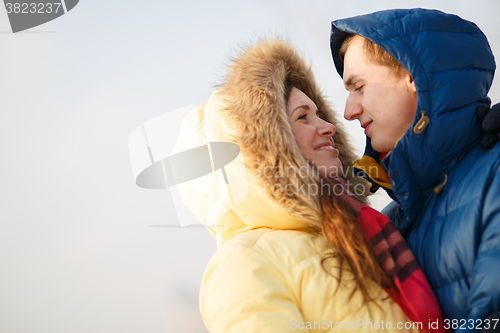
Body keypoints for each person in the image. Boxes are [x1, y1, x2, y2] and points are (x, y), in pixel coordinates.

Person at [170, 38, 446, 332]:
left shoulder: (363, 232)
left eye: (319, 114)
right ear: (263, 147)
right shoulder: (243, 263)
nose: (329, 126)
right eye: (303, 117)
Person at [330, 8, 500, 327]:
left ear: (411, 76)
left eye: (359, 87)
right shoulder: (392, 220)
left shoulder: (495, 173)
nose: (348, 111)